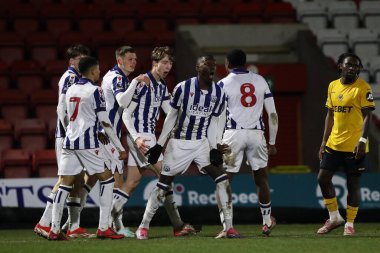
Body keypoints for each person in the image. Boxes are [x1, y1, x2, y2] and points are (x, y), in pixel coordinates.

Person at [136, 55, 241, 240]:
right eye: (207, 65)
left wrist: (215, 146)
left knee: (222, 178)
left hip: (201, 143)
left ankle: (229, 228)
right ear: (198, 67)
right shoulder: (182, 88)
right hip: (179, 143)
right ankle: (143, 227)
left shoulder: (218, 93)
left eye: (214, 66)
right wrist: (160, 145)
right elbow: (171, 118)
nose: (212, 69)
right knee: (163, 185)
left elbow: (216, 121)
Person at [111, 46, 195, 237]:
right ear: (154, 63)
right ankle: (176, 225)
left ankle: (107, 221)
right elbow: (126, 114)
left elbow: (171, 112)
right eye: (164, 62)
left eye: (170, 63)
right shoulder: (143, 83)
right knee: (166, 176)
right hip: (141, 137)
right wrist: (136, 137)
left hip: (148, 137)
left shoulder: (162, 86)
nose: (168, 66)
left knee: (132, 182)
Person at [48, 56, 127, 240]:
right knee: (107, 180)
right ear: (92, 71)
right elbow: (105, 122)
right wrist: (119, 146)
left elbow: (65, 114)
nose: (99, 72)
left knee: (64, 185)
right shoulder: (95, 91)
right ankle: (104, 227)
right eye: (98, 70)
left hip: (69, 142)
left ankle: (53, 229)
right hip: (87, 144)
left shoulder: (71, 89)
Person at [216, 49, 278, 238]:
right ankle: (266, 220)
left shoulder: (222, 83)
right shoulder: (260, 80)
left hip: (233, 133)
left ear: (227, 64)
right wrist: (272, 141)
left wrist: (217, 142)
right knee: (261, 178)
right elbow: (273, 114)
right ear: (245, 63)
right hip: (257, 134)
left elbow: (218, 116)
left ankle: (228, 226)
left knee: (224, 181)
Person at [34, 44, 93, 239]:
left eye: (85, 57)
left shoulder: (77, 78)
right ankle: (44, 223)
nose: (82, 60)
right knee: (65, 179)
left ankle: (74, 227)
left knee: (77, 179)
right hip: (67, 136)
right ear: (71, 61)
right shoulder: (69, 78)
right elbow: (61, 108)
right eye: (79, 58)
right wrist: (70, 130)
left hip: (74, 136)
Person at [317, 53, 375, 236]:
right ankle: (334, 217)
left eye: (356, 66)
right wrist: (323, 142)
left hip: (355, 146)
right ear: (340, 66)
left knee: (353, 185)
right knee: (322, 179)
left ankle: (349, 224)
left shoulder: (363, 88)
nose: (353, 68)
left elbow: (368, 116)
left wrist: (362, 140)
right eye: (349, 65)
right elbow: (330, 115)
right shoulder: (332, 86)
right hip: (334, 144)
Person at [100, 45, 148, 237]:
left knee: (87, 181)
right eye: (130, 59)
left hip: (105, 134)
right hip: (107, 136)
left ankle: (70, 225)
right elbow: (121, 101)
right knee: (117, 183)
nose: (133, 62)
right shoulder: (118, 78)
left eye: (135, 59)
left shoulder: (113, 76)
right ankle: (114, 226)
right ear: (119, 61)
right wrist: (136, 82)